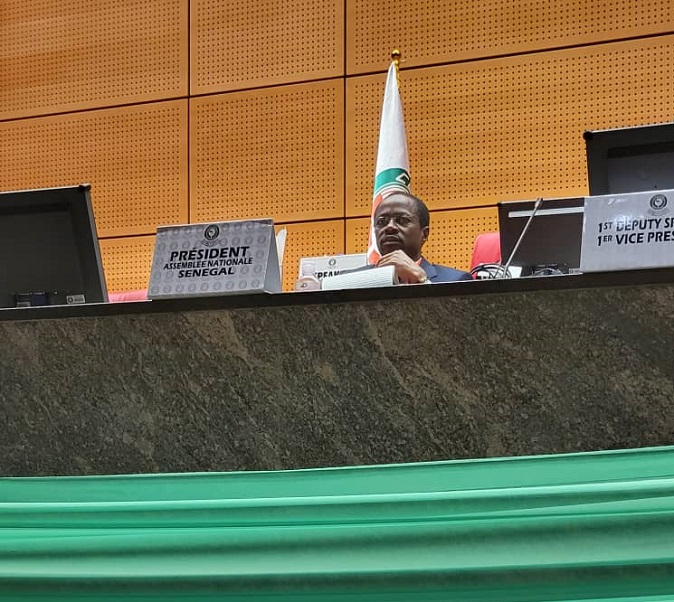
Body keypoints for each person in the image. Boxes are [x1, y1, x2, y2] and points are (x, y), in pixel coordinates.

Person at [373, 191, 472, 284]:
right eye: (382, 221)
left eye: (402, 220)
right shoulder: (358, 280)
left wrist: (423, 282)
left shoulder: (456, 281)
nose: (390, 227)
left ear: (424, 234)